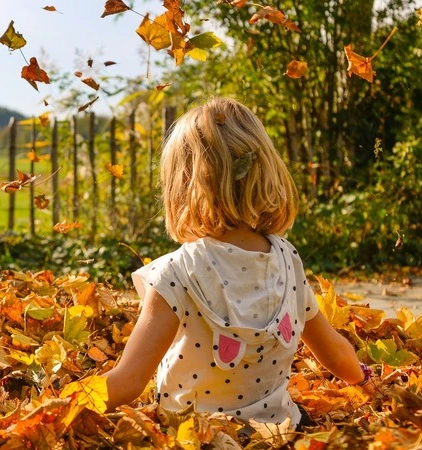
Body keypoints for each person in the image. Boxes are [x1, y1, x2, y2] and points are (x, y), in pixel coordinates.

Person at [103, 97, 371, 429]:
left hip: (196, 436)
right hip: (279, 430)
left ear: (184, 184)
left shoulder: (176, 274)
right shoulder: (287, 259)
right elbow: (335, 353)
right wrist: (364, 380)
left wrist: (61, 404)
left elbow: (128, 381)